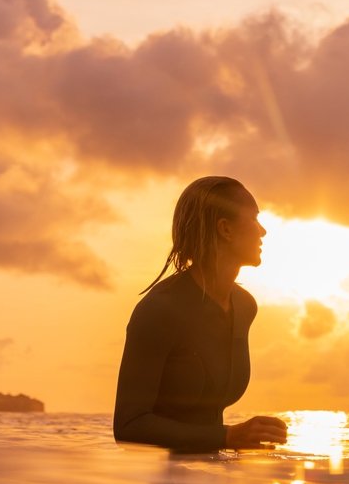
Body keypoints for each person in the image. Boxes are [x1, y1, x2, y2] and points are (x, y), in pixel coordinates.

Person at [113, 176, 288, 453]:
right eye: (255, 218)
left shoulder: (245, 306)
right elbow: (128, 426)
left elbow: (210, 423)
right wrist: (227, 437)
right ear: (225, 229)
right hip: (153, 477)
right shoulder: (159, 310)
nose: (263, 231)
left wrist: (241, 440)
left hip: (210, 470)